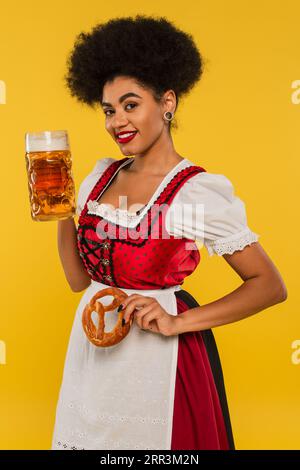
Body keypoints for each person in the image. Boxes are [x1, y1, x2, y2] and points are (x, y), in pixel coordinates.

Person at [51, 14, 287, 450]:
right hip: (90, 351)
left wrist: (179, 321)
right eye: (108, 110)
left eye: (130, 104)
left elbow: (269, 286)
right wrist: (60, 209)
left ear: (167, 102)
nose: (116, 121)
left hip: (159, 361)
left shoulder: (194, 192)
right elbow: (78, 281)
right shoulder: (99, 177)